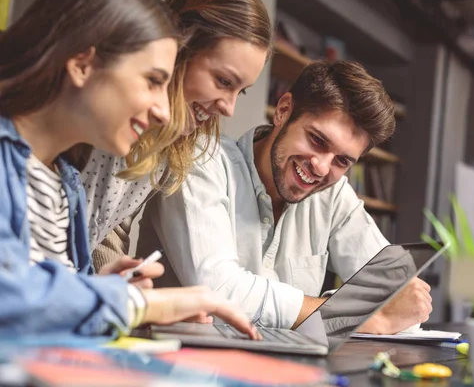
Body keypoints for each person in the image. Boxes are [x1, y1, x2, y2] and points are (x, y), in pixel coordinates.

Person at [0, 0, 258, 338]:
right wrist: (137, 305)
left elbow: (40, 285)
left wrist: (97, 289)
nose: (164, 109)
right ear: (82, 63)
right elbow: (12, 297)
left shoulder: (65, 185)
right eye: (153, 81)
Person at [138, 61, 433, 333]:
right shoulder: (200, 158)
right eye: (317, 140)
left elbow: (403, 304)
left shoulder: (335, 195)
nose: (321, 167)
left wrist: (364, 314)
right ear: (283, 110)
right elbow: (220, 291)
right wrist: (361, 317)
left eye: (342, 161)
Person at [79, 0, 271, 268]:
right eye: (224, 81)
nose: (228, 108)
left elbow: (104, 231)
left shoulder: (170, 142)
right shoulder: (99, 117)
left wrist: (118, 282)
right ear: (180, 48)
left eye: (240, 91)